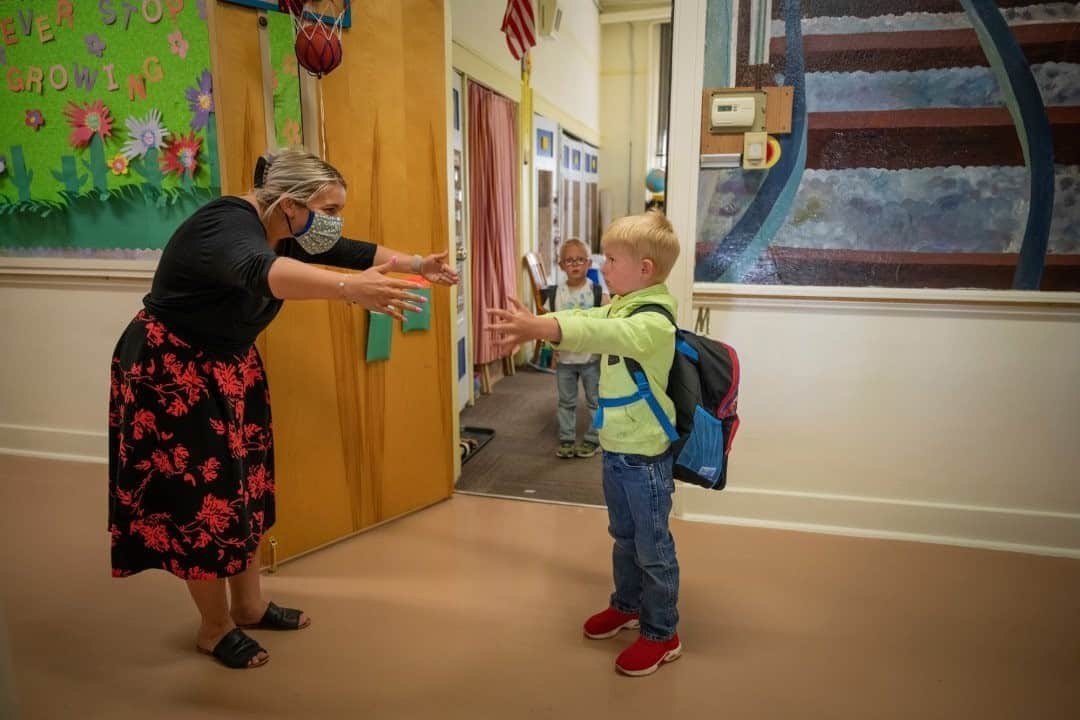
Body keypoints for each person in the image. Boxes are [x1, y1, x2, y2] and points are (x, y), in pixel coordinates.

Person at [107, 149, 458, 669]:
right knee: (201, 500)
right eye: (330, 208)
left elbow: (351, 250)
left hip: (227, 365)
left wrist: (414, 265)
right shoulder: (224, 226)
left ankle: (247, 605)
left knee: (244, 486)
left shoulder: (284, 226)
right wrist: (347, 291)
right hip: (173, 371)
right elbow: (259, 271)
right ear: (290, 204)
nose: (335, 222)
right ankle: (213, 626)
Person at [489, 211, 683, 677]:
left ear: (645, 270)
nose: (602, 268)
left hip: (645, 456)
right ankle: (627, 605)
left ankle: (662, 633)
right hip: (617, 449)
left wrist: (545, 330)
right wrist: (544, 319)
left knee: (653, 548)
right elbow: (588, 316)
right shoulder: (623, 303)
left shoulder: (653, 321)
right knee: (624, 538)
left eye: (611, 259)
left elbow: (603, 332)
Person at [551, 238, 608, 459]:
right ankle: (566, 438)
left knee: (595, 400)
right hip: (565, 360)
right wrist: (552, 350)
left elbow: (608, 319)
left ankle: (594, 439)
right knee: (566, 401)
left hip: (590, 359)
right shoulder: (556, 293)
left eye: (580, 260)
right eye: (569, 260)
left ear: (588, 263)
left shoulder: (596, 292)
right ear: (561, 265)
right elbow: (549, 323)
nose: (575, 264)